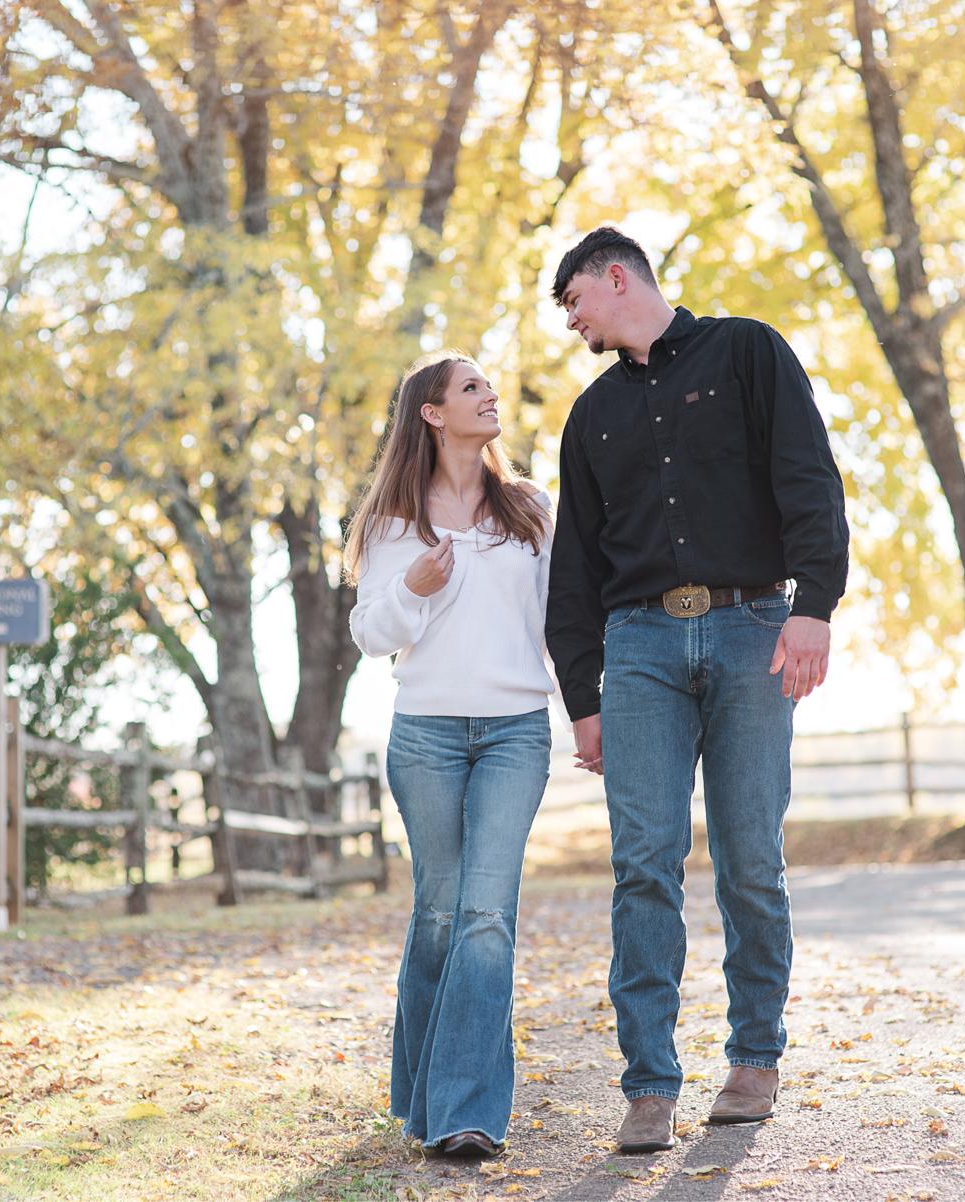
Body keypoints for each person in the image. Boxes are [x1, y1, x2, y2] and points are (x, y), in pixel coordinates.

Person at [543, 227, 849, 1153]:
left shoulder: (747, 351)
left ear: (616, 277)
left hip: (753, 627)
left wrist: (814, 605)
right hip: (637, 647)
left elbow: (809, 477)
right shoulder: (590, 416)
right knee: (644, 864)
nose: (572, 322)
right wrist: (584, 698)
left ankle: (755, 1060)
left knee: (751, 856)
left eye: (575, 302)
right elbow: (575, 568)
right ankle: (648, 1087)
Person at [346, 350, 555, 1160]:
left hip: (514, 732)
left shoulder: (531, 510)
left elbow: (560, 621)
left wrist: (590, 712)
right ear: (432, 413)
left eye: (488, 385)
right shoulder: (391, 521)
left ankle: (465, 1112)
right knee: (438, 913)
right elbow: (371, 635)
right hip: (427, 735)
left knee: (486, 915)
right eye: (472, 387)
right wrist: (413, 591)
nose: (490, 395)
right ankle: (421, 1097)